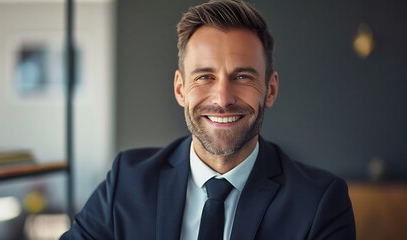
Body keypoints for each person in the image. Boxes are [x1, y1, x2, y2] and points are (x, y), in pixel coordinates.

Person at [61, 0, 356, 239]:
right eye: (205, 76)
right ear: (180, 89)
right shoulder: (127, 181)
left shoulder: (319, 201)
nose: (222, 98)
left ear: (271, 90)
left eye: (242, 76)